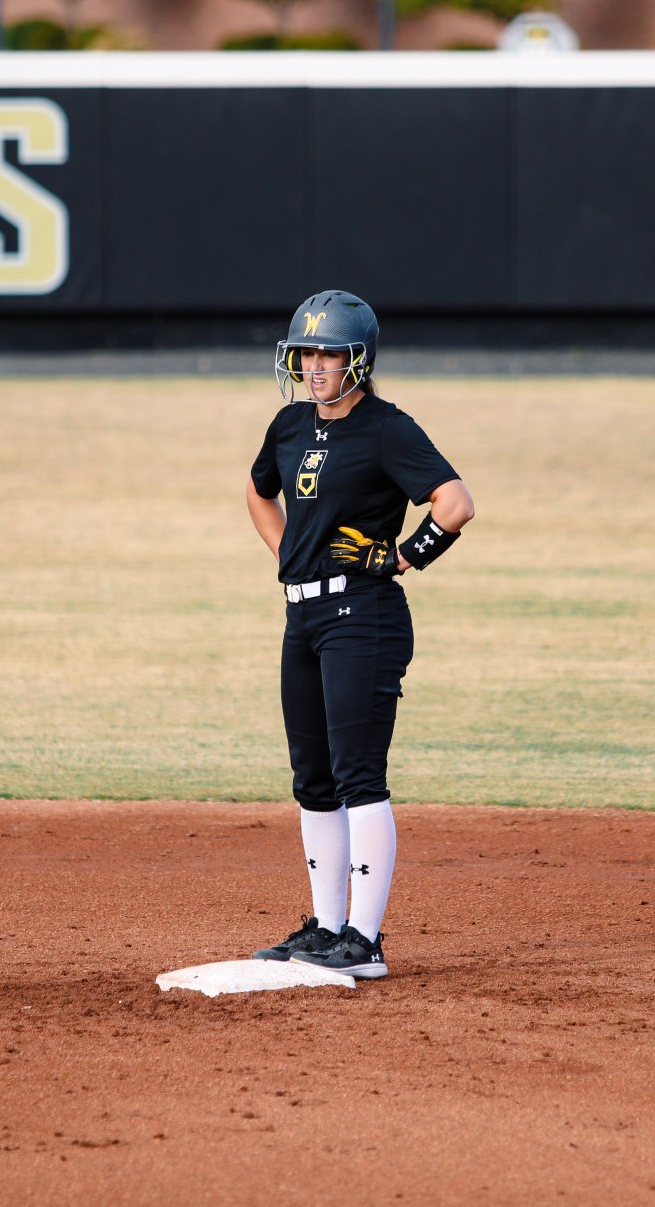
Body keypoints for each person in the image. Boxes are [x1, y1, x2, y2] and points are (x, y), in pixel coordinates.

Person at [244, 291, 476, 980]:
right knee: (313, 778)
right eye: (305, 353)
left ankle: (365, 941)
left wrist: (402, 557)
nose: (315, 366)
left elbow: (456, 504)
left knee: (358, 776)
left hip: (364, 618)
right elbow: (258, 490)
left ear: (359, 361)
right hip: (303, 617)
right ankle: (325, 927)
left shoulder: (386, 429)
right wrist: (289, 553)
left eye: (330, 354)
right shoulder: (289, 425)